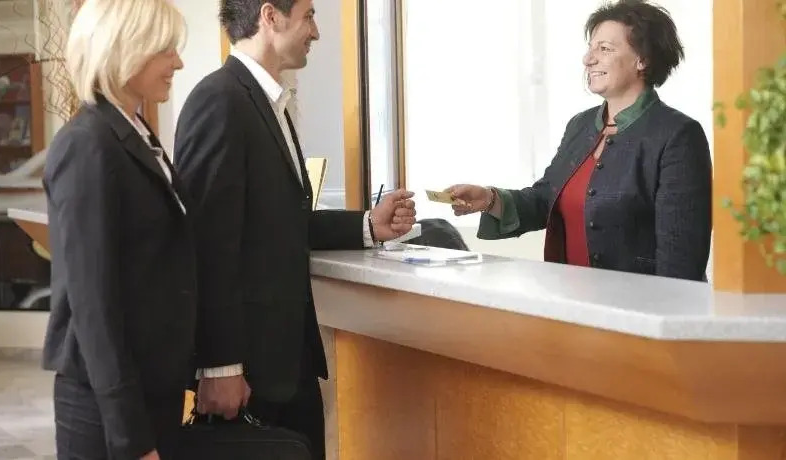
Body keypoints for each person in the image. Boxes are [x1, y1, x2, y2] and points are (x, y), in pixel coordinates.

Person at [172, 1, 416, 458]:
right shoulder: (219, 100)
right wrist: (219, 365)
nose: (316, 32)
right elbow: (207, 245)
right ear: (270, 16)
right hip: (246, 373)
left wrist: (368, 225)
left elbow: (283, 221)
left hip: (285, 366)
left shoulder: (272, 103)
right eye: (309, 16)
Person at [448, 0, 712, 281]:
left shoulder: (678, 135)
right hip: (571, 300)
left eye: (605, 49)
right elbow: (544, 199)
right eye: (590, 47)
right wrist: (489, 199)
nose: (588, 59)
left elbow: (681, 261)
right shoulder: (581, 124)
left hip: (638, 305)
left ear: (642, 59)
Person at [41, 0, 192, 458]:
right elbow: (94, 306)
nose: (178, 63)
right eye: (167, 49)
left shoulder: (135, 133)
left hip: (151, 389)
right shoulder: (87, 144)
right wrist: (131, 438)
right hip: (108, 407)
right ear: (127, 48)